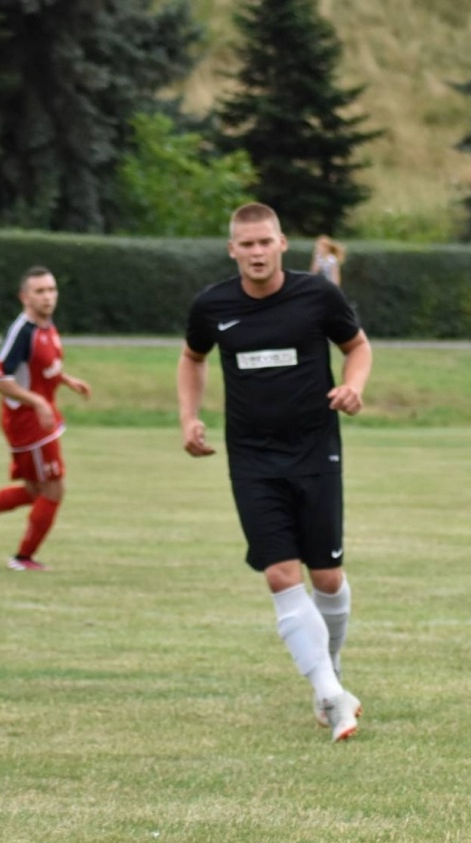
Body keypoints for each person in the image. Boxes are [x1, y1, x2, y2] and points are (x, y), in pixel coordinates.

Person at [177, 202, 372, 743]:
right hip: (252, 458)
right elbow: (192, 358)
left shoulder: (317, 296)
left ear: (282, 244)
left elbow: (356, 347)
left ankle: (328, 673)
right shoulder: (212, 305)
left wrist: (354, 386)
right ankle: (332, 696)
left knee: (327, 578)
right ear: (232, 249)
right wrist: (189, 417)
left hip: (315, 451)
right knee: (281, 575)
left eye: (266, 242)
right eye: (247, 244)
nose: (257, 253)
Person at [0, 267, 90, 571]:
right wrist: (37, 401)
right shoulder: (21, 332)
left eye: (51, 290)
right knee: (53, 490)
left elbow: (39, 368)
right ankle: (23, 558)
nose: (48, 297)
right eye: (40, 291)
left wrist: (66, 380)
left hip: (41, 418)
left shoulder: (46, 326)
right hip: (27, 422)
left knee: (38, 491)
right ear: (25, 297)